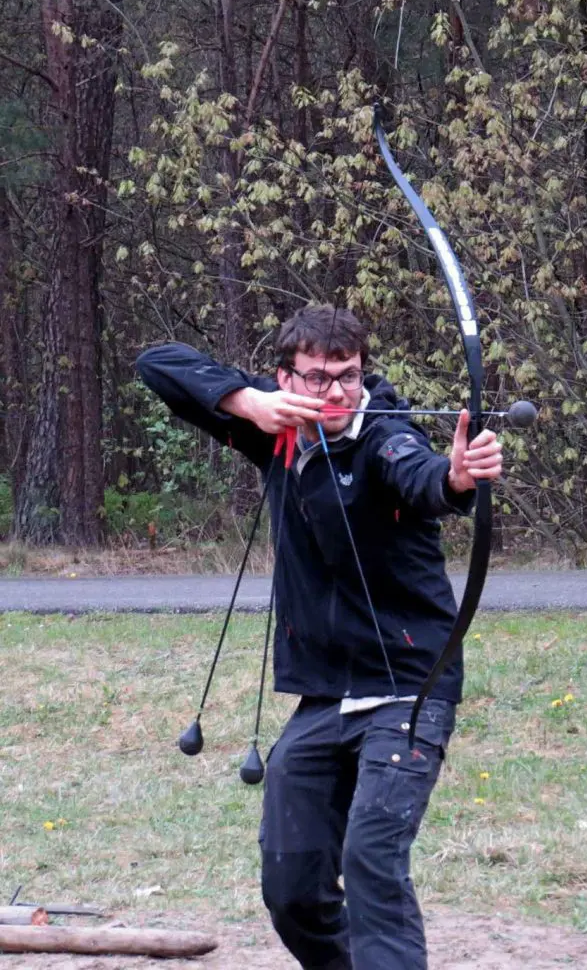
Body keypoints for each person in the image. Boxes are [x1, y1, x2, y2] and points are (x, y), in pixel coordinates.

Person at [137, 304, 503, 970]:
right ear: (286, 378)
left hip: (407, 692)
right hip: (323, 698)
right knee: (293, 889)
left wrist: (455, 477)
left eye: (348, 375)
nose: (335, 392)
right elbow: (157, 365)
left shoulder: (385, 439)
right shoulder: (273, 426)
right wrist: (248, 402)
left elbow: (423, 478)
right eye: (317, 377)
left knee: (371, 861)